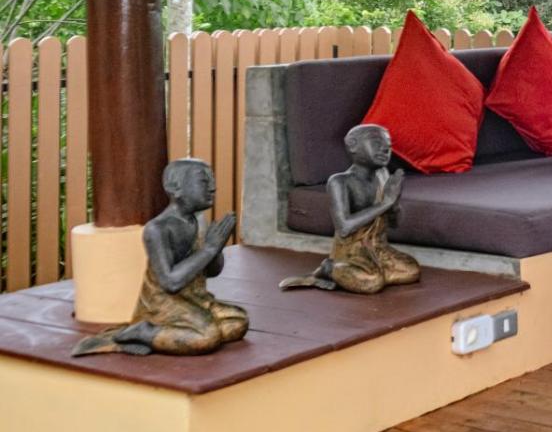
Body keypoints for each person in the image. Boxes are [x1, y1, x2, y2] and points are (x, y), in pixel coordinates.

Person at [73, 159, 247, 356]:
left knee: (238, 321)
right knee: (206, 337)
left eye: (212, 180)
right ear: (175, 187)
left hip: (195, 298)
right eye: (203, 181)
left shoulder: (199, 221)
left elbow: (213, 271)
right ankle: (145, 331)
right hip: (164, 304)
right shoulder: (158, 229)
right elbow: (170, 282)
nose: (213, 187)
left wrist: (216, 248)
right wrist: (208, 249)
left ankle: (173, 334)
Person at [279, 123, 420, 294]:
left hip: (379, 249)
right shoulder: (340, 182)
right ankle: (330, 268)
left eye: (388, 145)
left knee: (412, 270)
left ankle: (370, 273)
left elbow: (394, 224)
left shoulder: (383, 175)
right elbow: (344, 227)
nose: (385, 149)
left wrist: (395, 203)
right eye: (377, 142)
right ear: (353, 145)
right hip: (352, 254)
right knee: (372, 283)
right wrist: (385, 203)